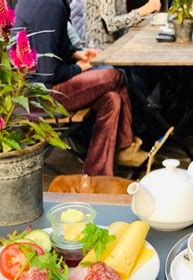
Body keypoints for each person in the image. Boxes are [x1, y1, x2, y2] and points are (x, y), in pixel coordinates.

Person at [15, 0, 148, 176]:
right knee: (114, 76)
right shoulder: (50, 6)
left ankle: (96, 176)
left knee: (112, 99)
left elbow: (49, 47)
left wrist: (76, 53)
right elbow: (49, 72)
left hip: (37, 91)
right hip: (43, 97)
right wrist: (79, 67)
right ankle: (126, 146)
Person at [83, 0, 161, 49]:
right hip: (102, 49)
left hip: (119, 43)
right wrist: (141, 11)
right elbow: (110, 25)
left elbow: (121, 19)